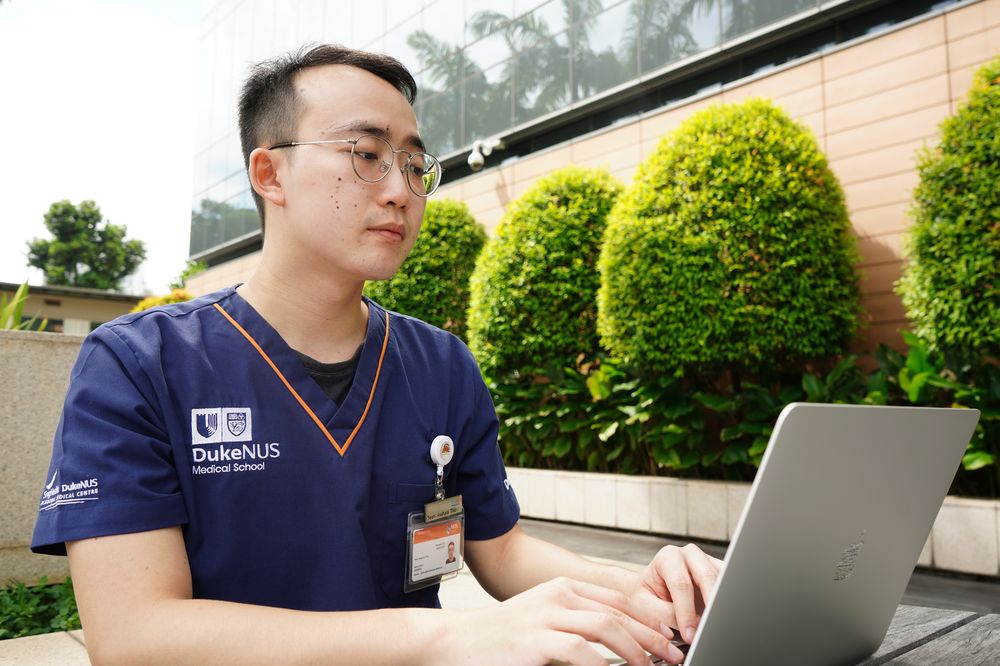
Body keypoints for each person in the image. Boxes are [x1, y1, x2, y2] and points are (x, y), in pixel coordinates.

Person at [31, 44, 722, 665]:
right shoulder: (139, 364)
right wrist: (446, 639)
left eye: (416, 165)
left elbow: (500, 547)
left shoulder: (441, 365)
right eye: (367, 155)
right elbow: (134, 635)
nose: (400, 190)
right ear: (270, 173)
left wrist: (653, 590)